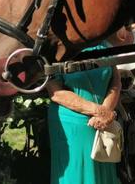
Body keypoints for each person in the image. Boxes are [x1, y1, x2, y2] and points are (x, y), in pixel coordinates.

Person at [46, 43, 122, 184]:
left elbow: (116, 81)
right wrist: (99, 111)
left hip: (103, 124)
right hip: (72, 126)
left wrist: (106, 110)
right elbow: (56, 92)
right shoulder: (57, 50)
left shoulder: (106, 46)